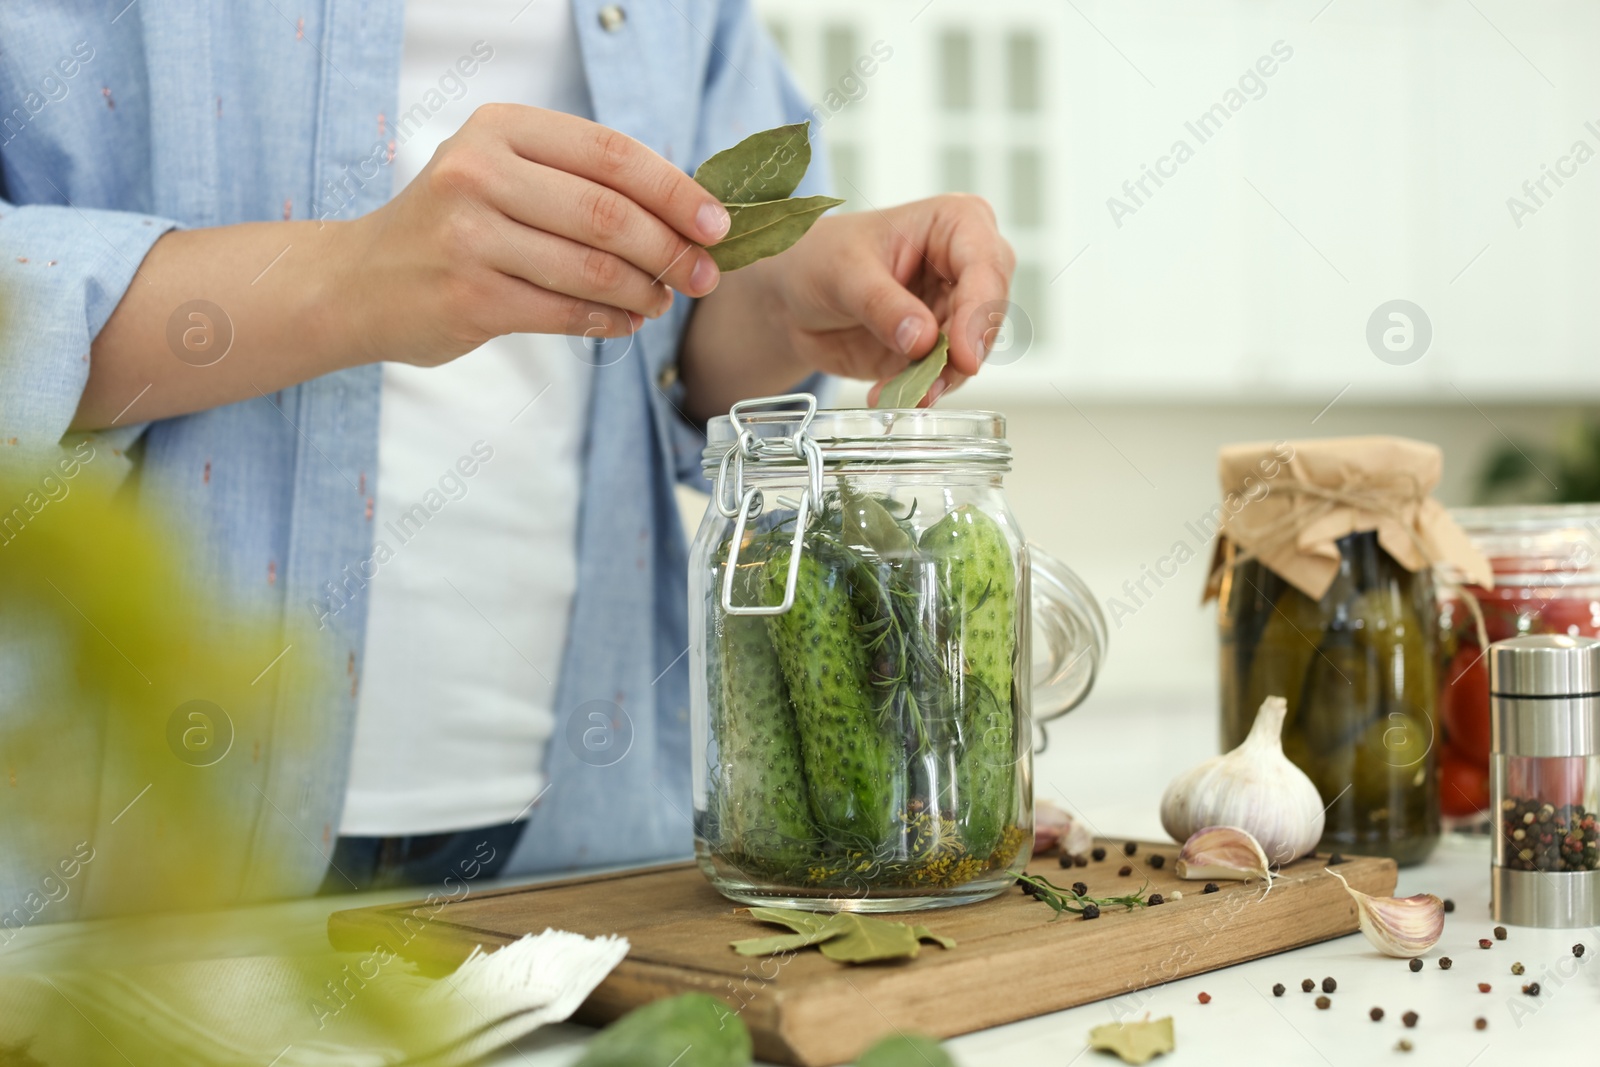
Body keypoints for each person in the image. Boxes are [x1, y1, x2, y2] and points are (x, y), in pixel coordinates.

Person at [0, 0, 1013, 900]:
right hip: (127, 847)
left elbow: (677, 359)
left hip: (590, 845)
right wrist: (351, 278)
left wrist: (783, 300)